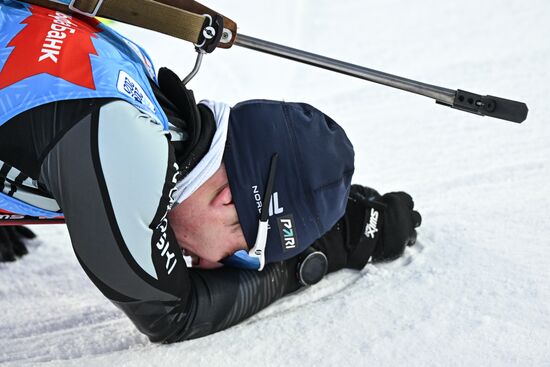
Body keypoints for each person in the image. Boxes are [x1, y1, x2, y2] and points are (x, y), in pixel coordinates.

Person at [0, 0, 421, 342]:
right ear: (229, 200)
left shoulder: (138, 82)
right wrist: (323, 251)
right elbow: (172, 312)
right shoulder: (126, 145)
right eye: (242, 255)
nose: (211, 265)